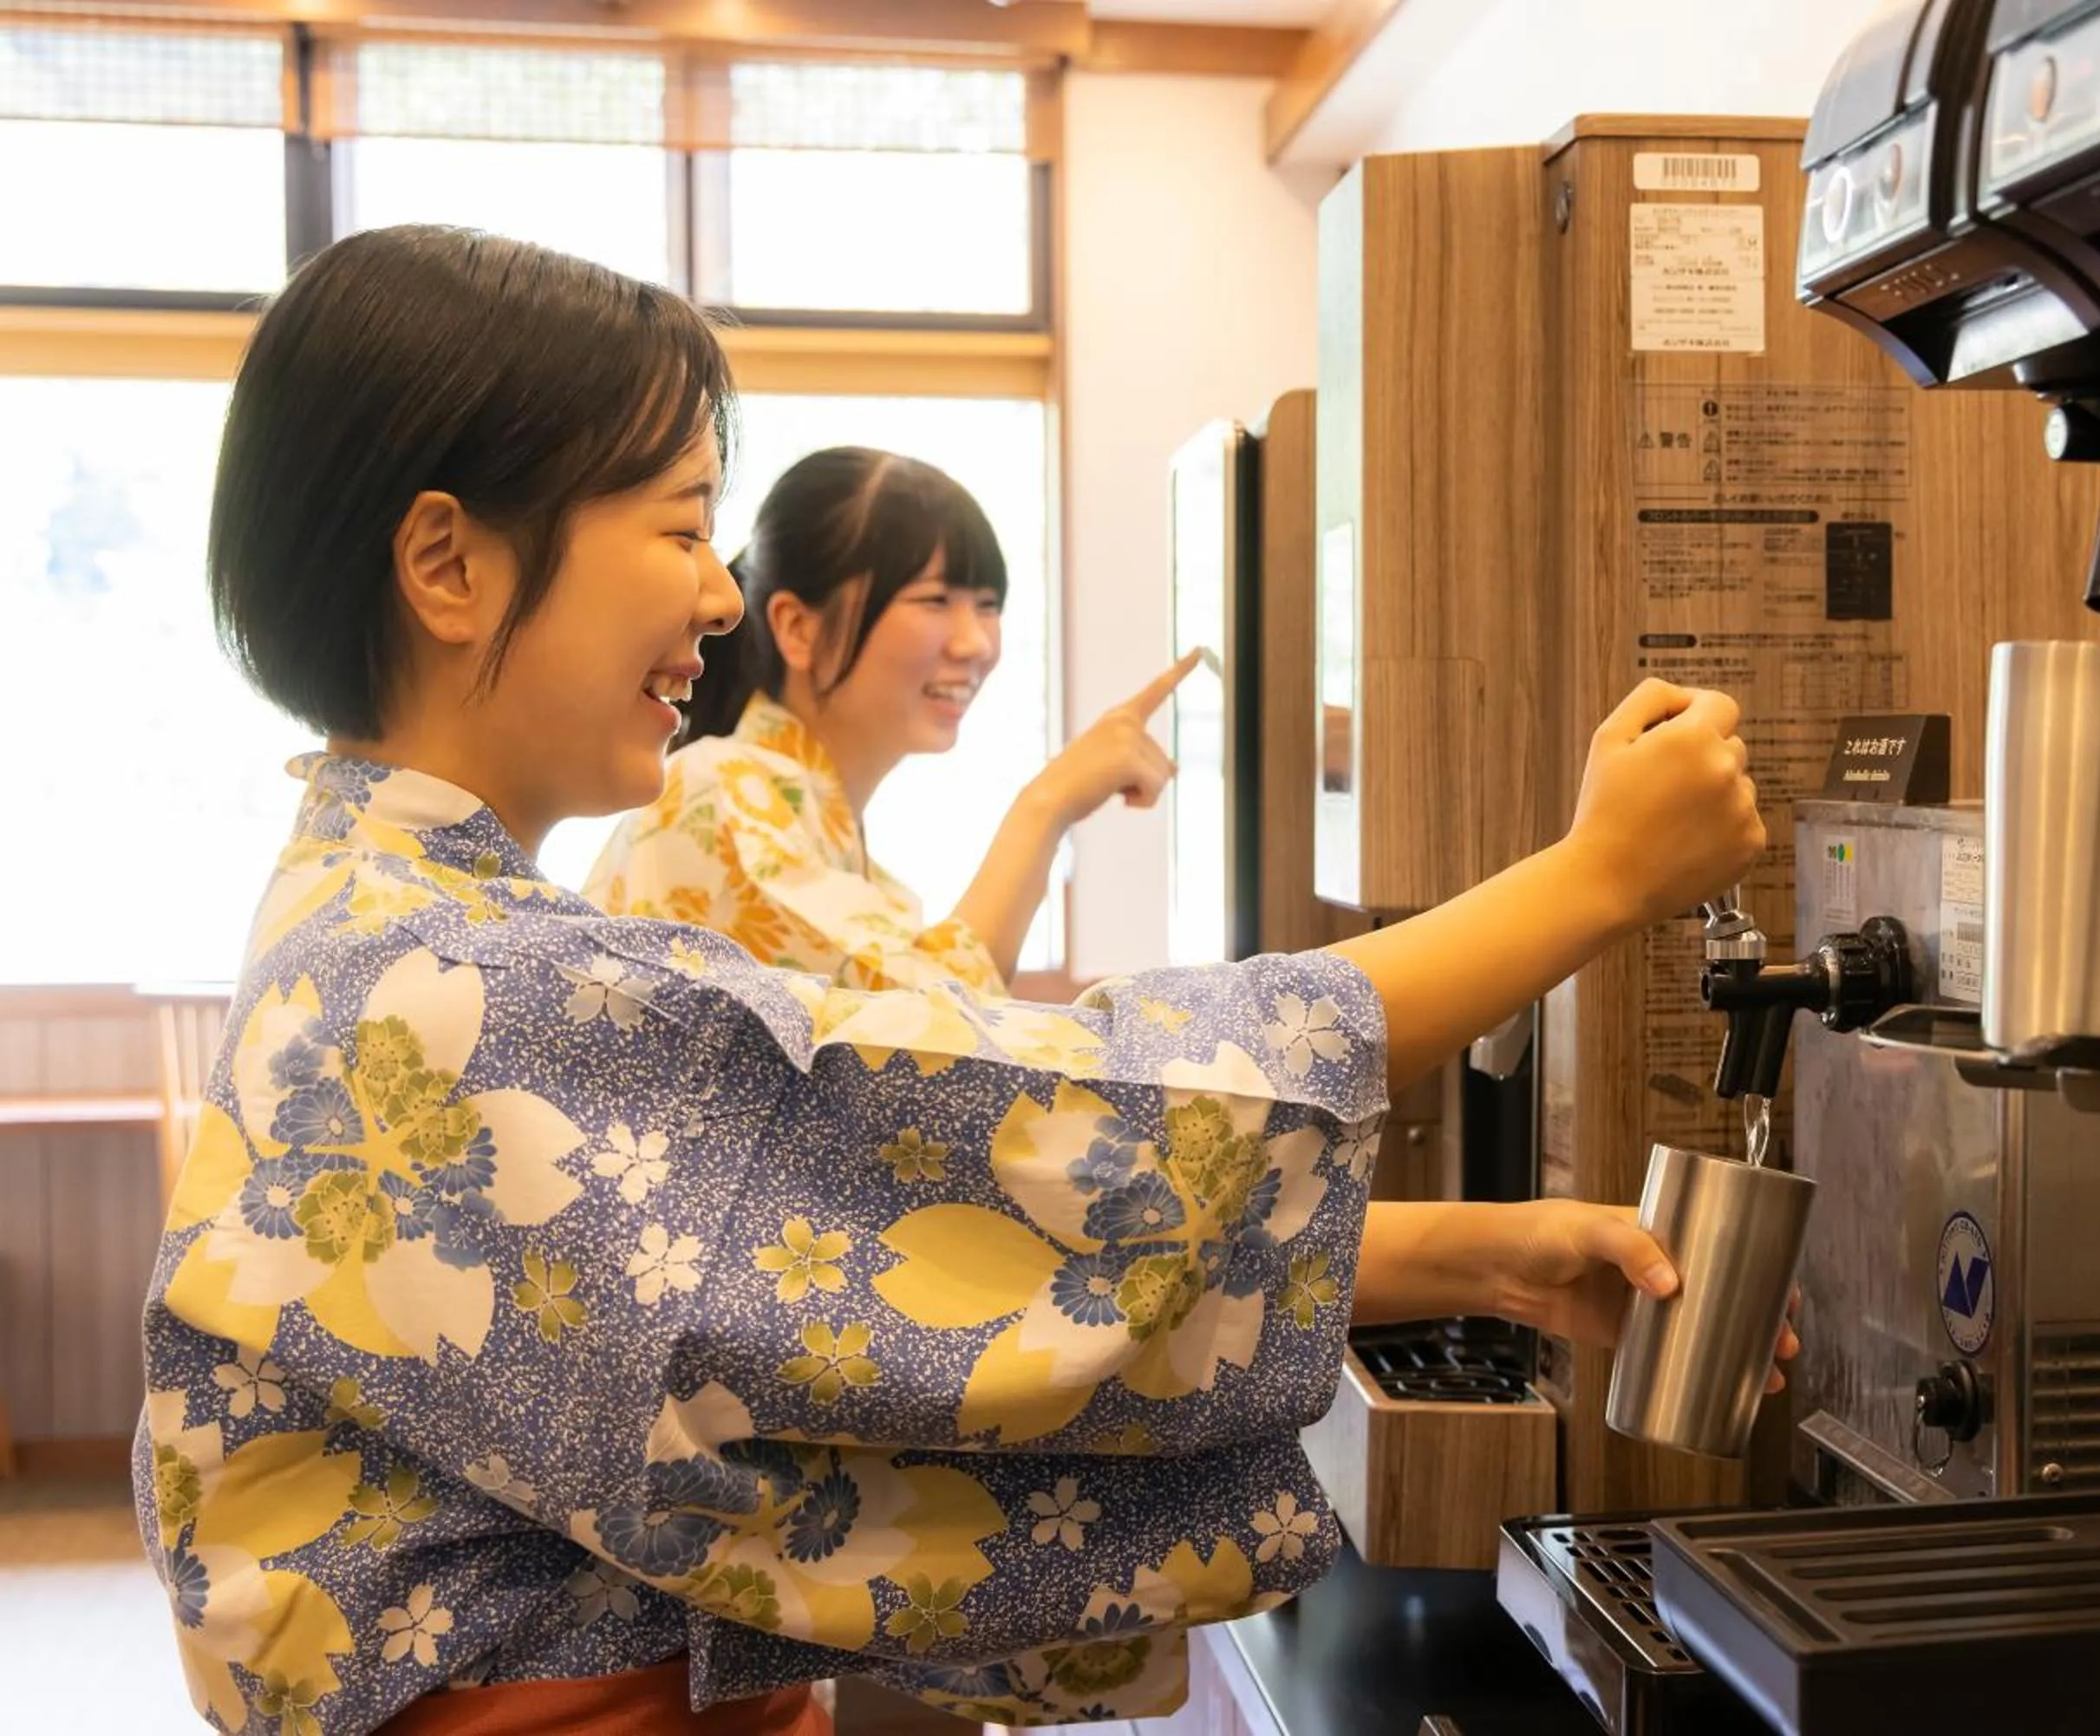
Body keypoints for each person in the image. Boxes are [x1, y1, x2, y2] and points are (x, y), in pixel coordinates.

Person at [139, 225, 1778, 1736]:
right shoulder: (450, 981)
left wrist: (1474, 1256)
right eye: (681, 523)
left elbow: (872, 1262)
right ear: (450, 564)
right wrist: (1597, 878)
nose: (716, 596)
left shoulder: (393, 923)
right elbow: (998, 1151)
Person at [584, 447, 1184, 994]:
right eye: (934, 601)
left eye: (988, 605)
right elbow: (936, 1027)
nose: (975, 642)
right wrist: (1048, 804)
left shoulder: (833, 851)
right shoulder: (715, 793)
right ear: (799, 627)